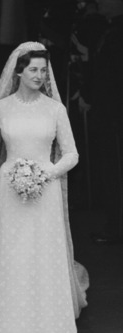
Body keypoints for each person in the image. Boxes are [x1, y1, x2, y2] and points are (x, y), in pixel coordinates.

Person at [0, 41, 89, 333]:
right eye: (32, 69)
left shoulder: (55, 109)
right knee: (9, 258)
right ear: (18, 71)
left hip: (43, 193)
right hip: (9, 192)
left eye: (43, 70)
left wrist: (47, 172)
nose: (38, 75)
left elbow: (72, 153)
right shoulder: (1, 107)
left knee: (41, 259)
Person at [89, 0, 123, 245]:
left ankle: (116, 227)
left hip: (115, 115)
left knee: (115, 171)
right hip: (109, 114)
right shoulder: (110, 29)